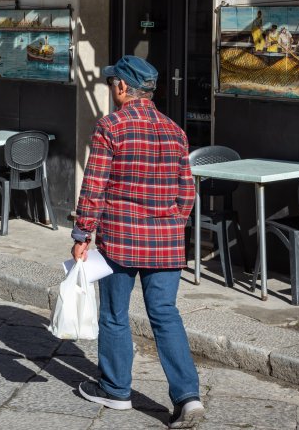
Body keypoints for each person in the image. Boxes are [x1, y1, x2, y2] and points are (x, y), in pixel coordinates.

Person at [71, 55, 204, 429]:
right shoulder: (176, 131)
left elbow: (94, 186)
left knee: (114, 314)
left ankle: (116, 391)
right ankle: (188, 397)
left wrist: (83, 234)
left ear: (123, 87)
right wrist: (169, 224)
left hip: (121, 241)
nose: (112, 88)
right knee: (165, 314)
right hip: (166, 244)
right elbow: (186, 193)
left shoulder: (110, 127)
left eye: (113, 82)